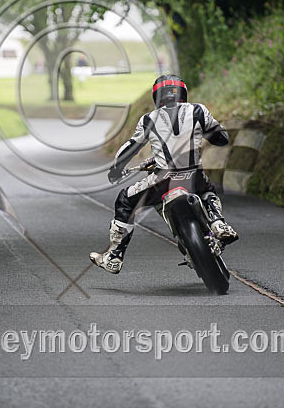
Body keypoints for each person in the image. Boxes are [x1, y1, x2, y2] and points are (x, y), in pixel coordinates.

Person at [89, 75, 238, 274]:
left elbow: (130, 148)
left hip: (162, 180)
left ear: (157, 98)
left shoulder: (149, 119)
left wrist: (116, 169)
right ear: (183, 93)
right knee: (208, 190)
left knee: (125, 200)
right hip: (194, 176)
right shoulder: (198, 110)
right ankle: (218, 222)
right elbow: (221, 139)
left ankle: (114, 256)